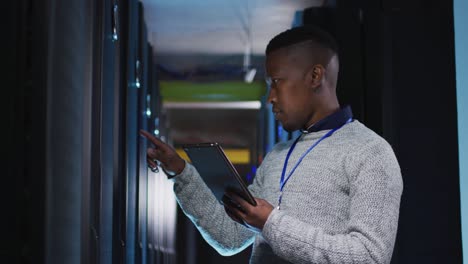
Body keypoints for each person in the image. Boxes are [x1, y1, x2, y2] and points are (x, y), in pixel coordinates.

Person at [140, 25, 403, 264]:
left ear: (315, 76)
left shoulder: (371, 151)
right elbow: (229, 238)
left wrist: (271, 223)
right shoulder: (278, 156)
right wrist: (180, 173)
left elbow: (369, 257)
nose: (270, 98)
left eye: (276, 83)